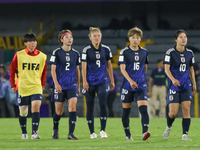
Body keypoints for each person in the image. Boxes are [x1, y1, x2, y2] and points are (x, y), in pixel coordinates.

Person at [10, 33, 47, 139]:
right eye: (30, 41)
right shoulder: (19, 55)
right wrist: (13, 84)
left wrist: (42, 84)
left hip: (36, 86)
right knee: (23, 112)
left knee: (36, 107)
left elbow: (44, 71)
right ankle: (24, 133)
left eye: (35, 41)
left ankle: (34, 133)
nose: (33, 43)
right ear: (25, 43)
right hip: (23, 86)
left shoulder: (42, 56)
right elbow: (12, 70)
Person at [163, 29, 196, 141]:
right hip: (174, 86)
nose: (183, 39)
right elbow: (166, 69)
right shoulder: (170, 52)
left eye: (185, 37)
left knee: (186, 110)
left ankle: (185, 135)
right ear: (176, 39)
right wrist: (173, 79)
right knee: (173, 113)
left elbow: (191, 69)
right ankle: (168, 127)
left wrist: (194, 84)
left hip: (186, 85)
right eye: (181, 37)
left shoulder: (190, 53)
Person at [81, 27, 115, 139]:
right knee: (90, 106)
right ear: (90, 37)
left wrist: (112, 80)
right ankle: (92, 132)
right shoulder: (86, 50)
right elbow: (84, 67)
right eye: (94, 36)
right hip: (90, 82)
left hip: (102, 81)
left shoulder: (106, 49)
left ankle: (103, 130)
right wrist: (84, 81)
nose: (97, 38)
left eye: (99, 36)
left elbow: (109, 65)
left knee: (103, 105)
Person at [118, 27, 150, 141]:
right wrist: (131, 81)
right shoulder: (124, 52)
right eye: (133, 37)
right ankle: (128, 135)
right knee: (126, 111)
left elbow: (144, 67)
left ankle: (145, 133)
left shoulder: (144, 52)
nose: (135, 40)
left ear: (140, 39)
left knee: (143, 110)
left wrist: (140, 78)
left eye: (137, 37)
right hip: (127, 86)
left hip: (140, 86)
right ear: (129, 39)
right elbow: (122, 69)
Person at [50, 29, 80, 140]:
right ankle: (55, 130)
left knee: (72, 108)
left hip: (72, 85)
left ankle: (70, 134)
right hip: (60, 86)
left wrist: (78, 84)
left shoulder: (76, 54)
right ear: (61, 39)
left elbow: (77, 70)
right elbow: (53, 70)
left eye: (71, 37)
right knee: (59, 111)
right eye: (67, 37)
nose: (69, 39)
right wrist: (56, 84)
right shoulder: (56, 53)